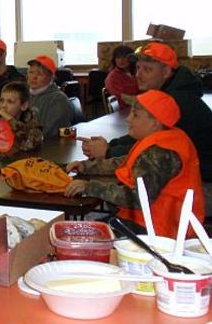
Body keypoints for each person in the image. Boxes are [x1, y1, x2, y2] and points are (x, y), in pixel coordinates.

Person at [65, 90, 204, 238]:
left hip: (159, 231)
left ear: (155, 123)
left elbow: (137, 198)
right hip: (158, 222)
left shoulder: (160, 152)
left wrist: (89, 187)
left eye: (135, 115)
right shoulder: (166, 139)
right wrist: (86, 167)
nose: (128, 119)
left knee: (77, 235)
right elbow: (125, 162)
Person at [82, 42, 212, 185]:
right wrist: (111, 145)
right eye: (138, 68)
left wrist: (108, 152)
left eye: (147, 69)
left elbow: (151, 149)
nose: (138, 75)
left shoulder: (175, 102)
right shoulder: (171, 92)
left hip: (201, 183)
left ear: (166, 72)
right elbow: (146, 137)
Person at [0, 81, 43, 168]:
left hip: (24, 168)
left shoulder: (32, 123)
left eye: (10, 102)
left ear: (23, 106)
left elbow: (30, 145)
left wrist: (11, 120)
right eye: (2, 101)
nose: (4, 106)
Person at [27, 55, 72, 139]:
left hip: (50, 145)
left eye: (40, 74)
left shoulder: (58, 99)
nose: (34, 77)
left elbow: (48, 133)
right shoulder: (25, 95)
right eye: (31, 72)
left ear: (51, 77)